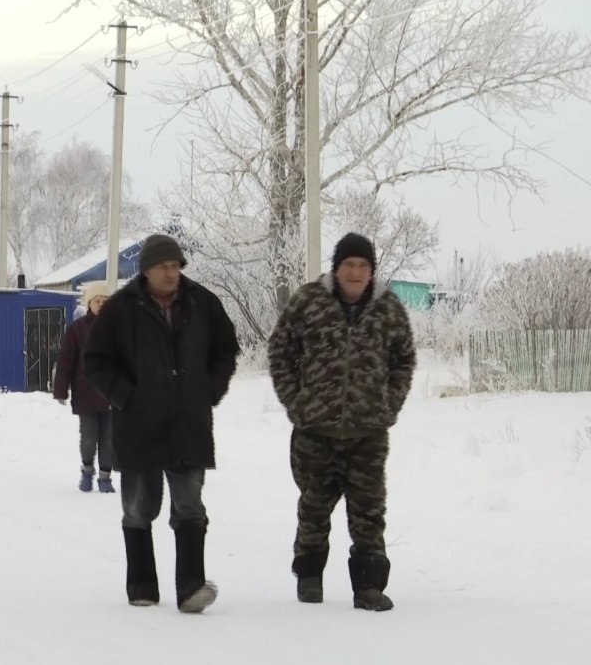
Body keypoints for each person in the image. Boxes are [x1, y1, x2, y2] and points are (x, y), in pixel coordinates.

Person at [83, 234, 240, 613]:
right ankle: (141, 585)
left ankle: (191, 588)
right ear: (146, 271)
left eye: (176, 266)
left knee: (190, 506)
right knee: (139, 508)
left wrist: (209, 389)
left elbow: (226, 349)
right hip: (139, 426)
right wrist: (126, 396)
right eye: (163, 267)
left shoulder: (203, 303)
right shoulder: (121, 309)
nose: (171, 274)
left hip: (189, 424)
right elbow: (97, 361)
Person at [267, 232, 416, 612]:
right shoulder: (309, 302)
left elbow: (404, 360)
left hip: (368, 431)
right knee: (314, 506)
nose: (355, 272)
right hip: (315, 429)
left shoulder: (388, 309)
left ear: (371, 271)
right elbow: (281, 350)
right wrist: (296, 402)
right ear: (337, 268)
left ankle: (368, 587)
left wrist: (389, 404)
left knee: (369, 511)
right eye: (348, 264)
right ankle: (310, 576)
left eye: (363, 266)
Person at [53, 280, 115, 494]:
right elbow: (66, 361)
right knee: (89, 437)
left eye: (106, 301)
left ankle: (106, 477)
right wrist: (61, 390)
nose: (102, 304)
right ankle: (87, 471)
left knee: (109, 438)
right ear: (90, 303)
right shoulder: (76, 330)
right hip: (86, 393)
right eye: (98, 300)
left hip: (112, 394)